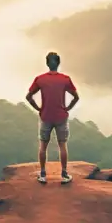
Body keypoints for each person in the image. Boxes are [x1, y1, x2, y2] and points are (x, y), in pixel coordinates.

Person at [26, 52, 79, 184]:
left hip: (46, 116)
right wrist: (67, 108)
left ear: (47, 63)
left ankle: (43, 174)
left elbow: (28, 97)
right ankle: (65, 174)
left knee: (43, 145)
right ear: (59, 63)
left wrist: (38, 108)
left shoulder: (40, 79)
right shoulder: (65, 79)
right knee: (62, 145)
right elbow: (76, 97)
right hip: (61, 116)